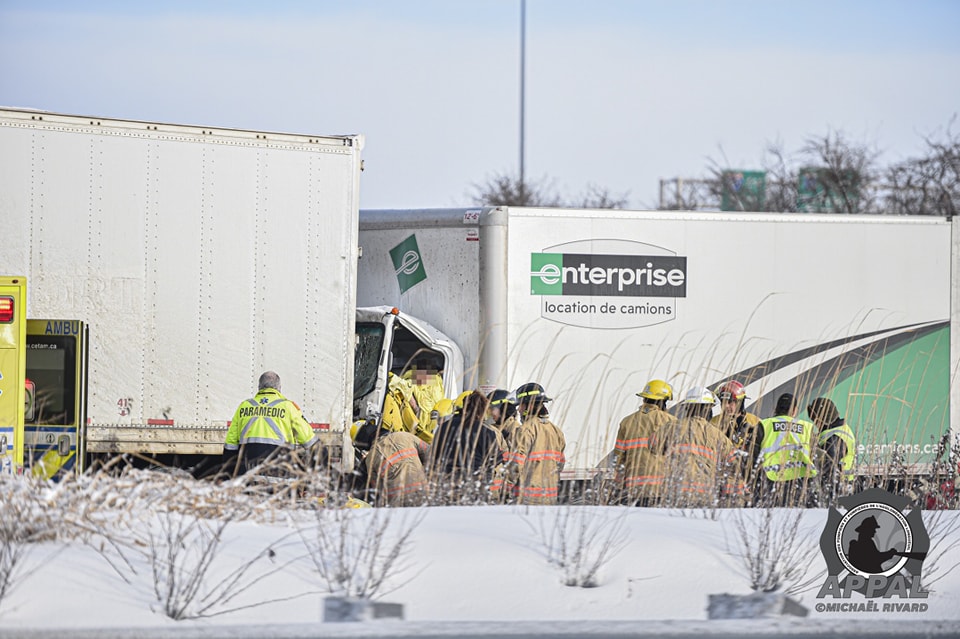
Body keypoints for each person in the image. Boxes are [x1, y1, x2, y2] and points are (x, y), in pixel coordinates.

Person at [223, 371, 318, 475]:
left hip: (248, 477)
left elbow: (230, 444)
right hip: (278, 476)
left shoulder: (244, 406)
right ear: (279, 388)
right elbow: (309, 441)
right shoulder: (288, 407)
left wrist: (228, 475)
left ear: (259, 388)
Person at [659, 387, 740, 508]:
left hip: (674, 494)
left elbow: (653, 446)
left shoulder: (671, 427)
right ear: (707, 409)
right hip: (704, 496)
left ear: (687, 407)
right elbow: (735, 462)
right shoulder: (717, 435)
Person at [429, 390, 504, 503]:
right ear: (481, 411)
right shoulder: (486, 432)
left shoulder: (444, 428)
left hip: (446, 484)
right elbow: (494, 462)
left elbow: (433, 457)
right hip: (474, 485)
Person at [612, 379, 676, 506]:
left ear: (644, 399)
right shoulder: (671, 421)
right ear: (663, 401)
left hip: (632, 489)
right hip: (660, 490)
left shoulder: (627, 422)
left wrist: (618, 486)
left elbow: (618, 458)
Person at [503, 382, 566, 505]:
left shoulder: (525, 430)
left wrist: (506, 487)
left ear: (529, 406)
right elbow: (560, 464)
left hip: (528, 500)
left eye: (521, 405)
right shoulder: (556, 431)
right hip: (550, 497)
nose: (519, 410)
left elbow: (516, 464)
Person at [757, 392, 818, 507]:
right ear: (795, 410)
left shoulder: (764, 424)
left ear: (776, 409)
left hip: (769, 480)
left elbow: (753, 455)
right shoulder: (807, 427)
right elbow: (815, 455)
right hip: (800, 481)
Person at [352, 421, 430, 507]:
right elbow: (431, 454)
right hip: (423, 492)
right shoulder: (404, 436)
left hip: (398, 505)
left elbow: (378, 490)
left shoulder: (370, 459)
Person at [711, 380, 763, 505]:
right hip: (722, 480)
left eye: (730, 402)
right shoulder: (714, 423)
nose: (726, 406)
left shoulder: (756, 422)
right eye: (723, 402)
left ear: (740, 402)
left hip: (748, 481)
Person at [807, 397, 856, 506]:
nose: (815, 423)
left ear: (821, 418)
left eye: (815, 419)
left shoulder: (833, 438)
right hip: (844, 486)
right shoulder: (841, 430)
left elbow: (829, 468)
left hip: (836, 490)